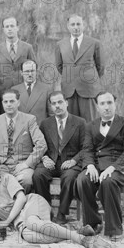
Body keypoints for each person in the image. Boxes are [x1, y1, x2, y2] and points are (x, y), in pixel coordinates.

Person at [0, 154, 92, 248]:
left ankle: (78, 238)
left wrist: (7, 221)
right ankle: (73, 232)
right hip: (18, 221)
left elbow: (22, 198)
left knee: (32, 223)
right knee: (29, 236)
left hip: (30, 204)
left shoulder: (6, 178)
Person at [75, 92, 124, 241]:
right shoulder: (90, 126)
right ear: (97, 107)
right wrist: (89, 165)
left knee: (108, 182)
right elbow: (87, 149)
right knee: (82, 179)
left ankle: (114, 228)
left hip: (120, 168)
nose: (106, 107)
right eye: (102, 104)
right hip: (97, 166)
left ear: (115, 104)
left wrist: (113, 168)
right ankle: (93, 224)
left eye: (109, 103)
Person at [32, 91, 86, 224]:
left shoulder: (80, 122)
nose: (57, 106)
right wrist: (44, 158)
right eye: (54, 103)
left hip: (71, 162)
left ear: (66, 103)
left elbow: (86, 147)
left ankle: (62, 213)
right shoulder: (45, 123)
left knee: (69, 177)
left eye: (60, 102)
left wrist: (74, 160)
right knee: (38, 175)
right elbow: (40, 145)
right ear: (50, 106)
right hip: (52, 161)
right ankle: (47, 211)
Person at [0, 89, 47, 193]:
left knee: (26, 181)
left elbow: (41, 145)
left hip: (22, 164)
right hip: (2, 165)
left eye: (12, 101)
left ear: (18, 102)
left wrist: (27, 164)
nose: (9, 105)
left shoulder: (29, 119)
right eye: (5, 102)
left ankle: (23, 207)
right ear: (2, 103)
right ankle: (7, 208)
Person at [55, 14, 104, 123]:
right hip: (69, 90)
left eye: (78, 24)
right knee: (71, 125)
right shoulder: (60, 44)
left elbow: (100, 67)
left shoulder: (94, 43)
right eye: (73, 24)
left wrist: (88, 77)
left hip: (88, 89)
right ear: (68, 26)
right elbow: (59, 66)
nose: (76, 27)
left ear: (83, 25)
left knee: (90, 123)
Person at [0, 17, 36, 89]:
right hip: (4, 89)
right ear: (3, 30)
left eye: (12, 26)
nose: (9, 29)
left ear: (17, 28)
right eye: (7, 26)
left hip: (23, 88)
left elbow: (34, 68)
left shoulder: (28, 48)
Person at [11, 60, 52, 125]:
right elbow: (11, 114)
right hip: (21, 130)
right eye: (27, 71)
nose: (30, 74)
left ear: (37, 72)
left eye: (32, 71)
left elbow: (51, 115)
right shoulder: (15, 90)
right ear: (21, 73)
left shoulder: (46, 89)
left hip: (40, 130)